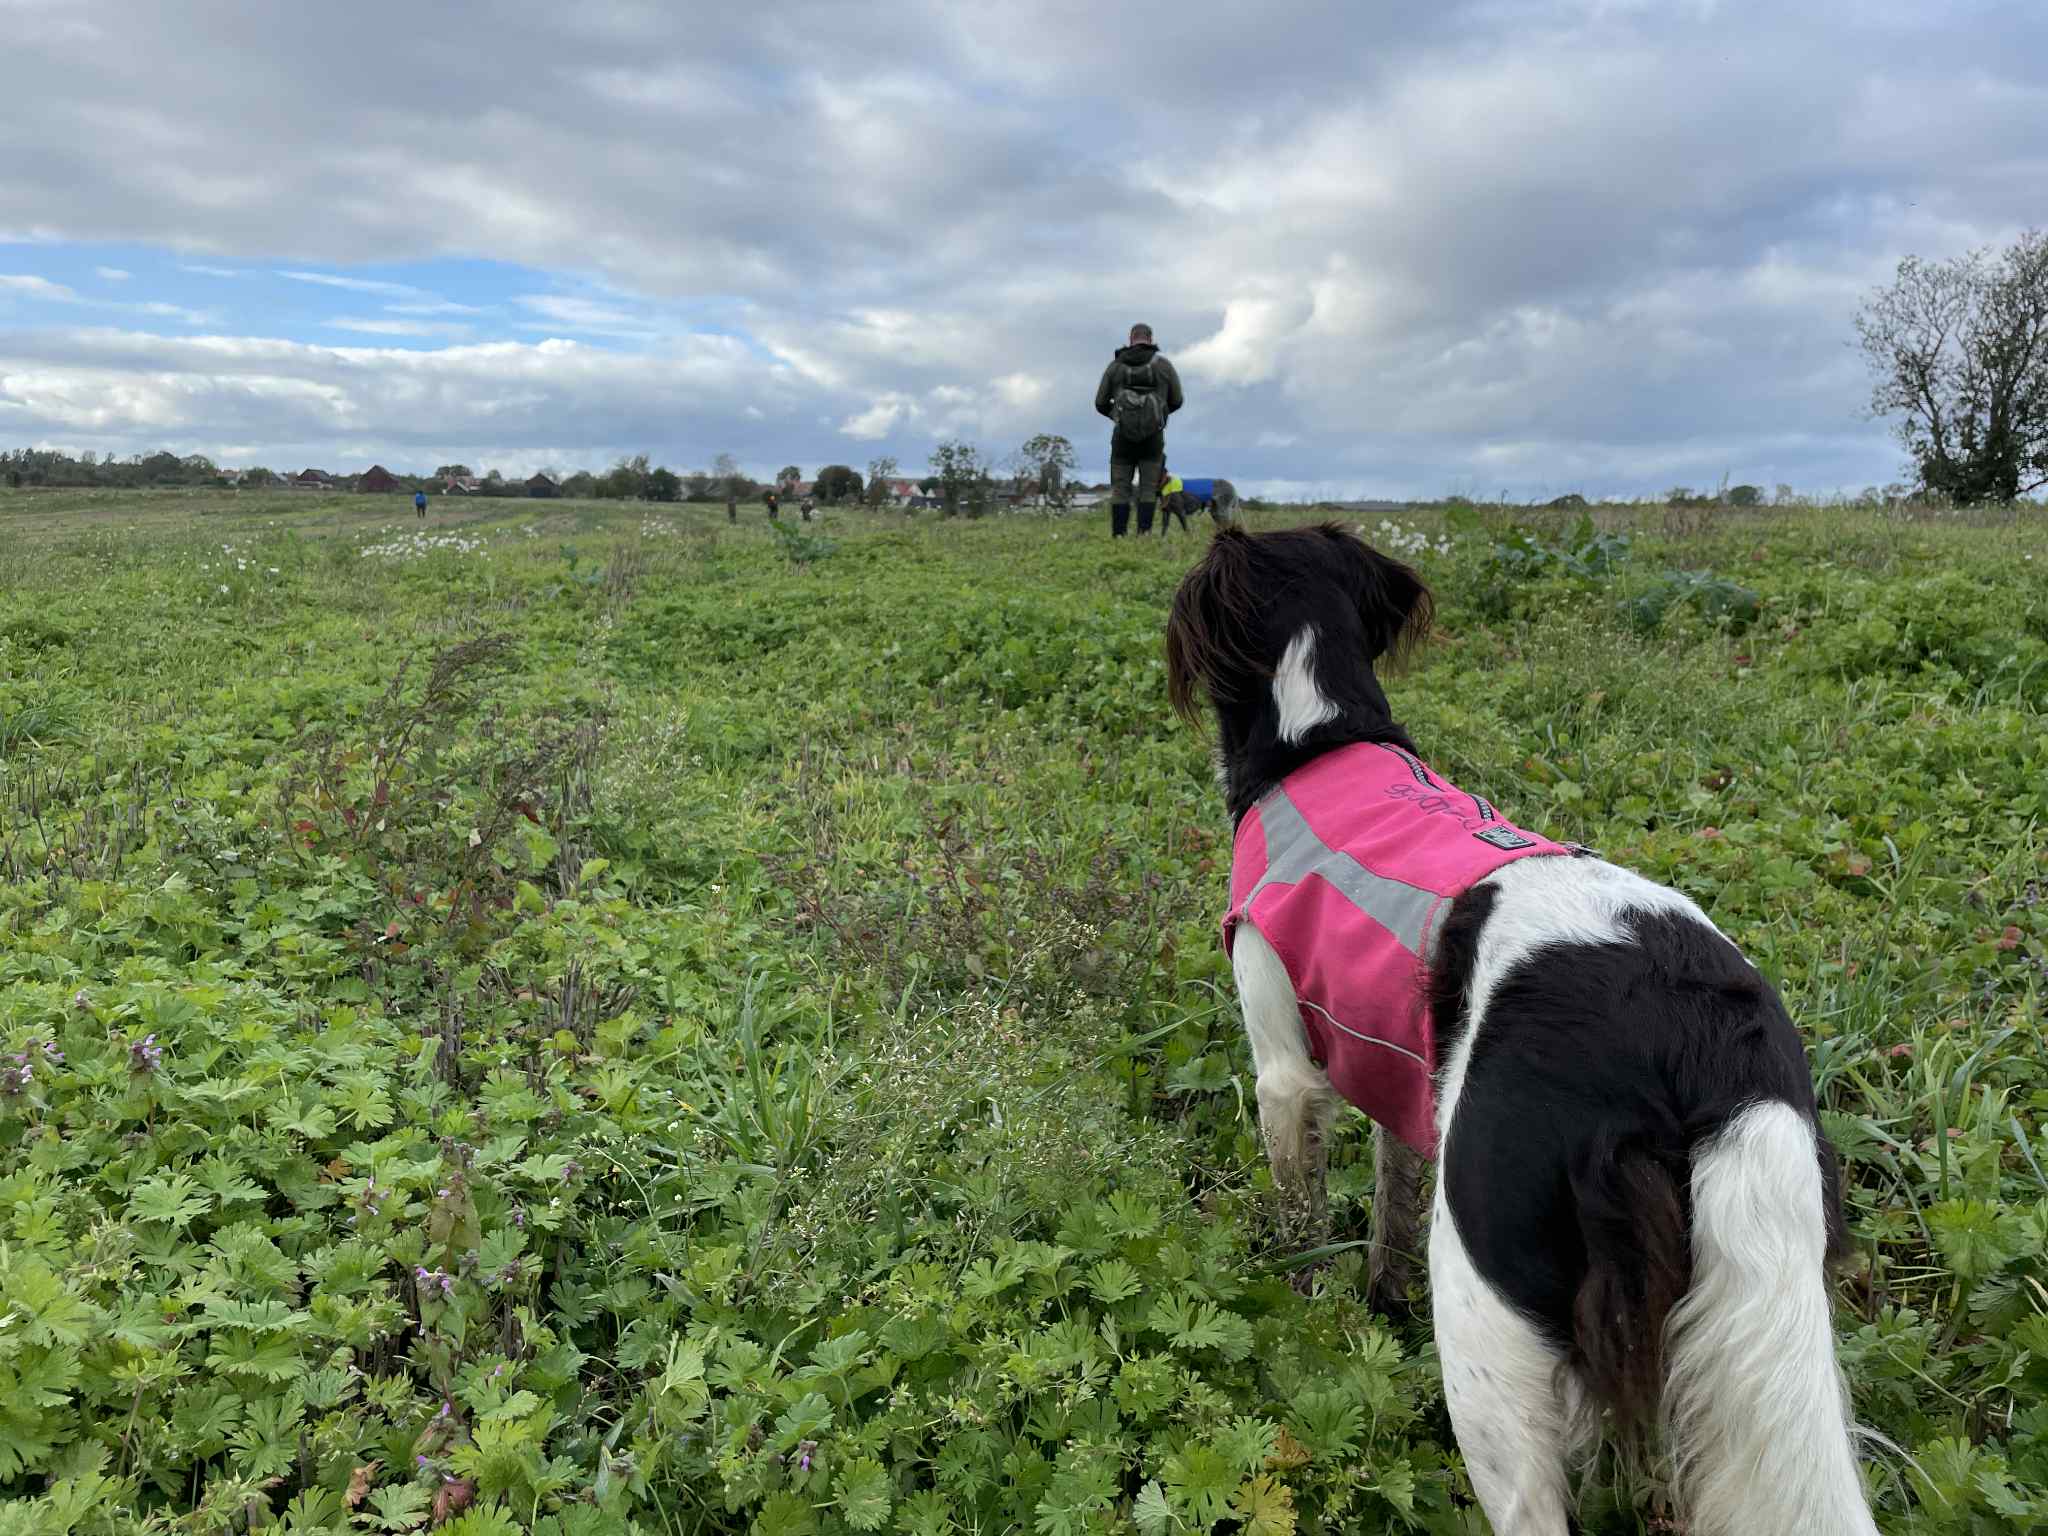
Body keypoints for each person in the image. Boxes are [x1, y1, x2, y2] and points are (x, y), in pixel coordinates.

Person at [1094, 322, 1182, 537]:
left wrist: (1117, 416)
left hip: (1122, 438)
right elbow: (1177, 400)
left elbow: (1100, 402)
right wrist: (1158, 416)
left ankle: (1119, 536)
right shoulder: (1164, 366)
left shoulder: (1115, 367)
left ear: (1131, 339)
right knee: (1148, 488)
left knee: (1120, 488)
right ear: (1150, 339)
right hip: (1153, 439)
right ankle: (1144, 535)